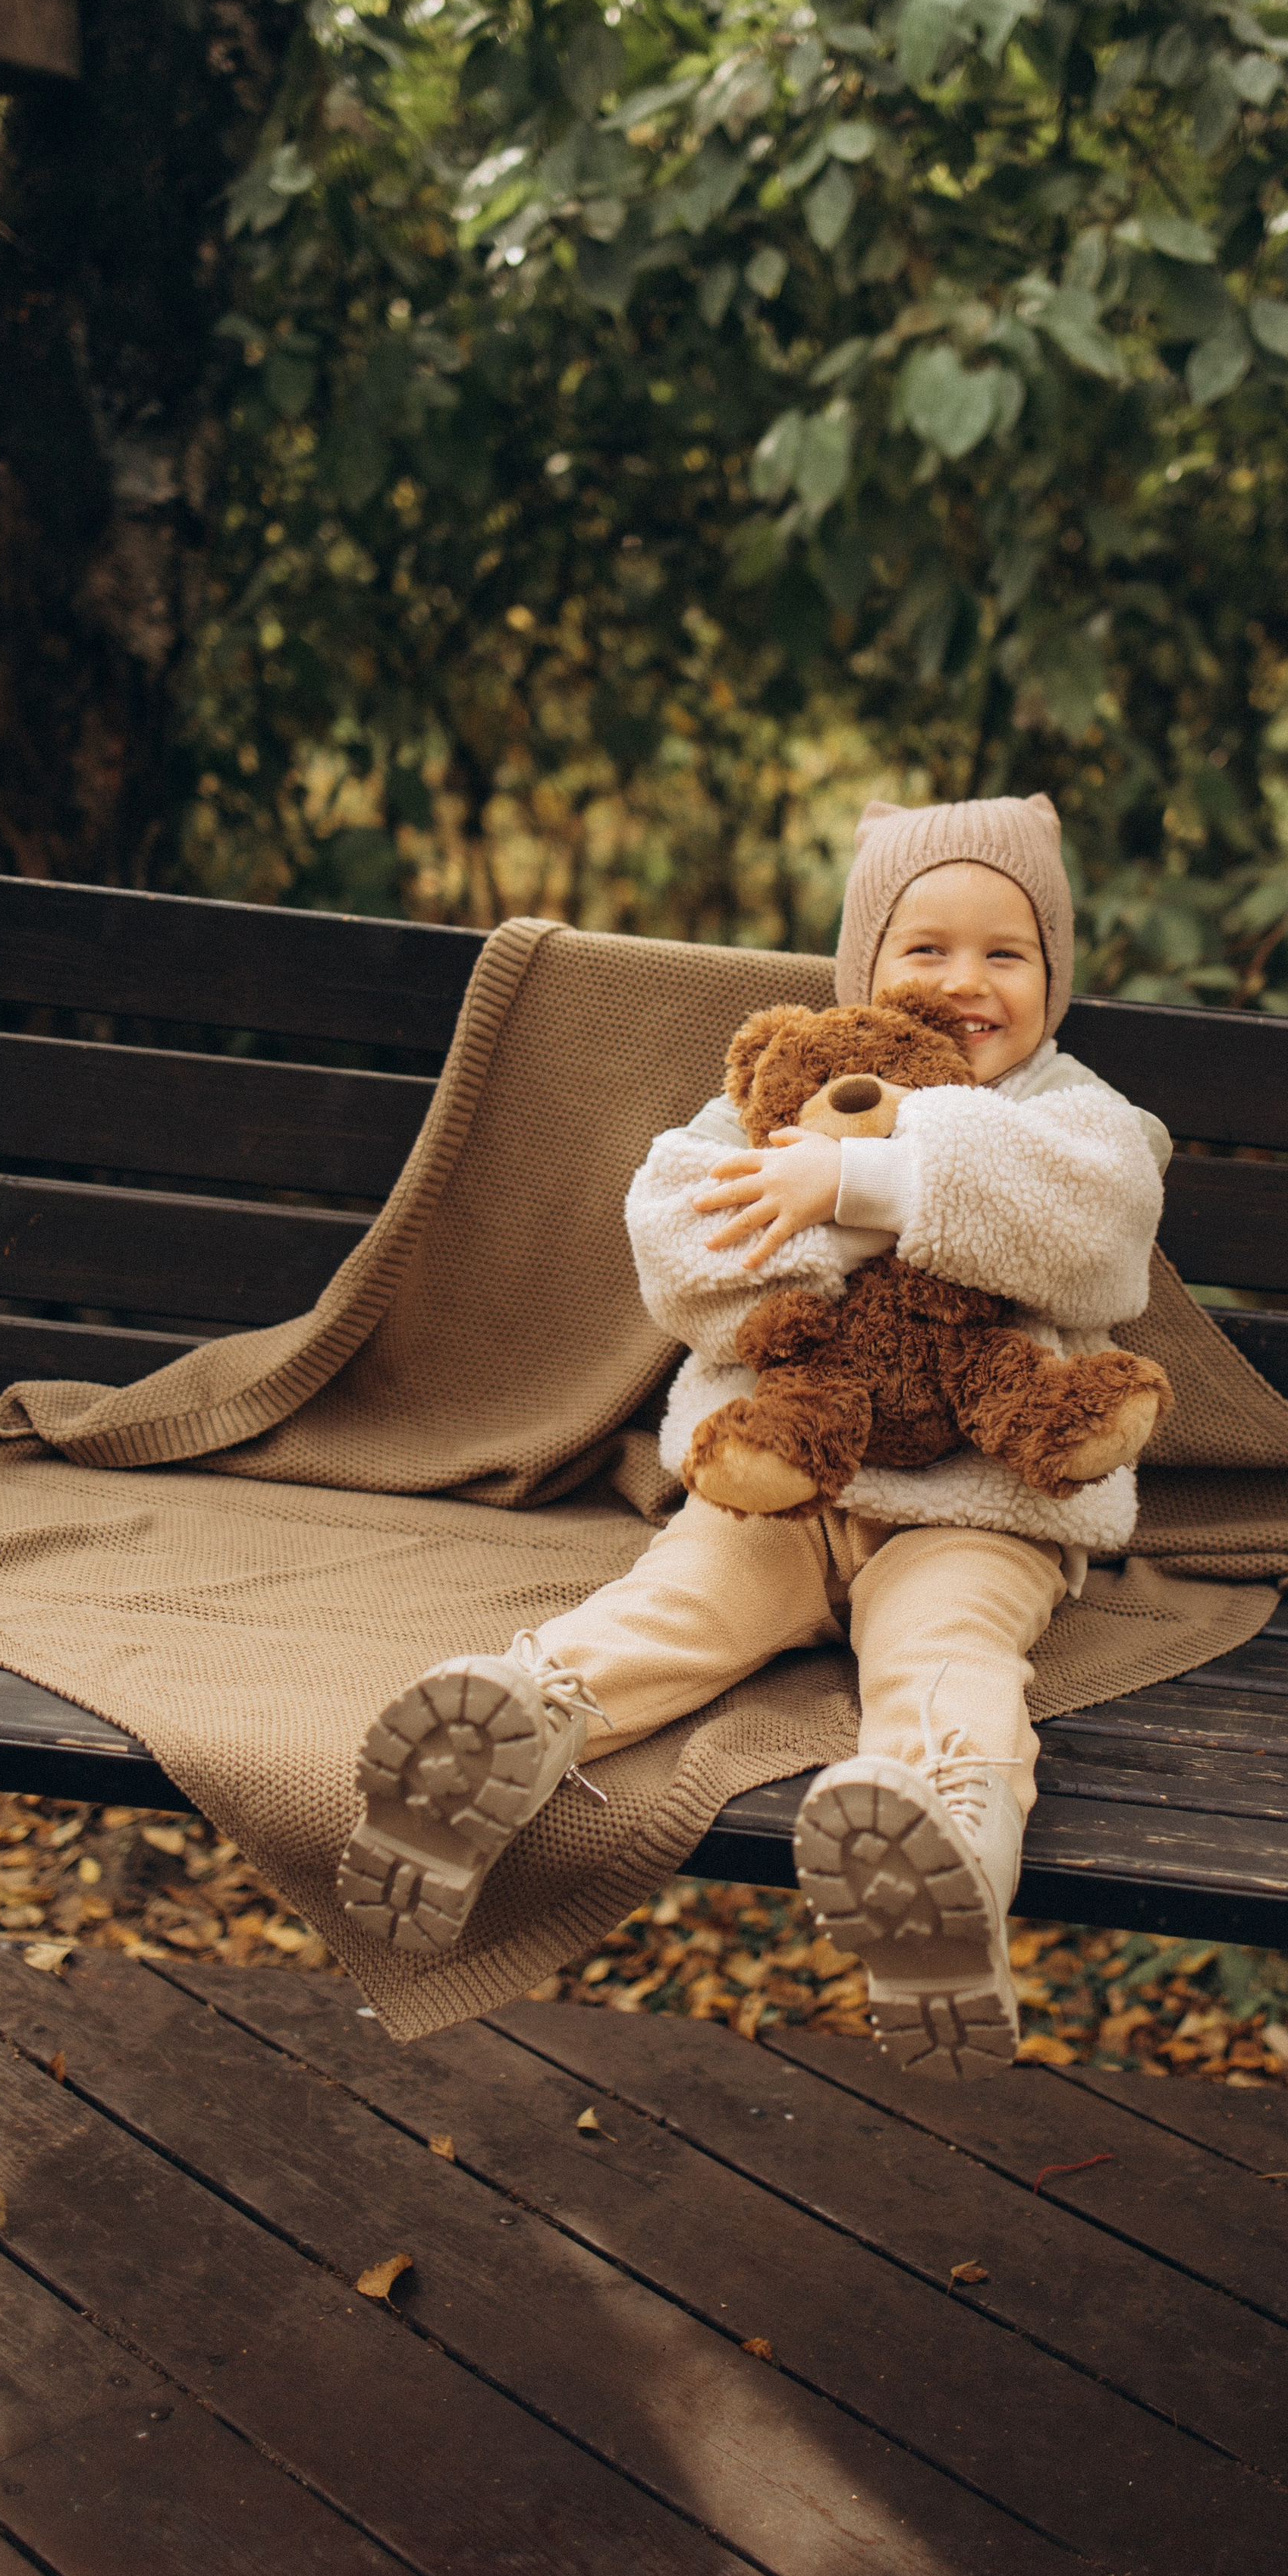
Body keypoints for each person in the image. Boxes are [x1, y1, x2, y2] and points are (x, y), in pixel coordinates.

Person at [337, 794, 1172, 2077]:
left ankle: (945, 1842)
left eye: (1007, 955)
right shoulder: (777, 1091)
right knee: (677, 1604)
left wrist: (865, 1183)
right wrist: (823, 1204)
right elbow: (679, 1245)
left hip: (976, 1507)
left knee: (947, 1653)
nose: (965, 982)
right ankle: (512, 1727)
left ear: (1053, 976)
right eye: (925, 948)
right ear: (863, 967)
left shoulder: (1078, 1113)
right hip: (778, 1485)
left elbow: (1099, 1235)